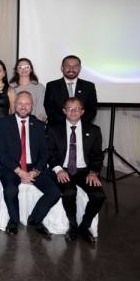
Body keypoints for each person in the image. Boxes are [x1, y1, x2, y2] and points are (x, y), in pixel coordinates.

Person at [0, 91, 61, 237]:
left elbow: (44, 153)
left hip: (33, 167)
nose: (23, 107)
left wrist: (36, 170)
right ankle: (13, 221)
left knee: (54, 192)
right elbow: (0, 152)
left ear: (32, 106)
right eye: (20, 103)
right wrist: (19, 171)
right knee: (10, 190)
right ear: (15, 105)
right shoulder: (4, 123)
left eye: (27, 104)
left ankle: (35, 220)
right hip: (11, 166)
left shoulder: (39, 125)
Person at [47, 97, 105, 244]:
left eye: (77, 109)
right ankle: (73, 226)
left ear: (82, 111)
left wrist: (93, 172)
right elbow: (49, 153)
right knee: (69, 192)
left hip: (85, 171)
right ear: (64, 111)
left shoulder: (94, 130)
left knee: (98, 195)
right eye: (70, 109)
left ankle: (84, 227)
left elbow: (97, 155)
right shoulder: (54, 129)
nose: (73, 112)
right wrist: (58, 170)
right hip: (63, 169)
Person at [44, 55, 98, 127]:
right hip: (57, 128)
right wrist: (67, 124)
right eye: (68, 66)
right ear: (62, 68)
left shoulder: (89, 86)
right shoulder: (52, 86)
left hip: (82, 127)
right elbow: (49, 109)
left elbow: (92, 110)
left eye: (75, 66)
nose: (71, 69)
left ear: (79, 68)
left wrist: (77, 124)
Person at [9, 58, 47, 122]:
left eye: (27, 67)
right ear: (16, 70)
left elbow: (42, 110)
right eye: (20, 67)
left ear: (31, 69)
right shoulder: (11, 87)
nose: (23, 69)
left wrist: (36, 124)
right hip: (14, 123)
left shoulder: (39, 87)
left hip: (34, 123)